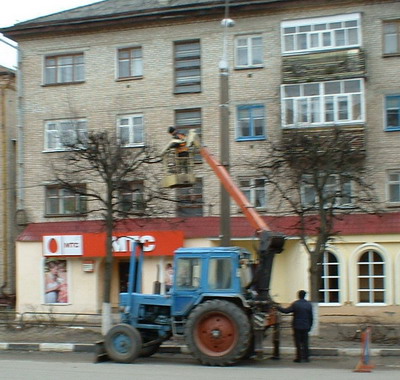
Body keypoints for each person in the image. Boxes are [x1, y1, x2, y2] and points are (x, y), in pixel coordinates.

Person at [277, 289, 313, 363]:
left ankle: (299, 358)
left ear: (298, 296)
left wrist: (278, 307)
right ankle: (306, 358)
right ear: (305, 296)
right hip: (306, 326)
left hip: (297, 326)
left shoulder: (296, 304)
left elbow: (286, 311)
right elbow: (311, 317)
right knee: (305, 342)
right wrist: (310, 326)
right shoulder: (309, 304)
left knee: (298, 342)